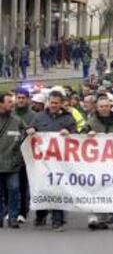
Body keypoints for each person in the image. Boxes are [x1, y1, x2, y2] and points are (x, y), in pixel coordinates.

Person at [27, 90, 77, 232]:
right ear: (48, 102)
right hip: (42, 162)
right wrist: (30, 129)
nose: (54, 105)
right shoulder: (39, 116)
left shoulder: (68, 118)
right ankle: (41, 215)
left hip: (61, 162)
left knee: (58, 190)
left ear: (61, 103)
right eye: (51, 102)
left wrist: (69, 133)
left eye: (56, 103)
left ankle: (57, 220)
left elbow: (77, 136)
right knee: (43, 188)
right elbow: (31, 129)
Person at [82, 97, 113, 230]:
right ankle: (93, 216)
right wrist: (87, 134)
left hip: (112, 162)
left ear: (110, 107)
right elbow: (79, 136)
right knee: (94, 188)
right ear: (97, 108)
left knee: (107, 189)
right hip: (94, 162)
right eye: (101, 106)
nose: (104, 109)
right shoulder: (91, 122)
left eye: (107, 106)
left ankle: (103, 218)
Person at [0, 92, 25, 229]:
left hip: (12, 164)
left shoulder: (17, 120)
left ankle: (13, 217)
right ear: (1, 104)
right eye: (9, 101)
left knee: (14, 191)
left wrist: (32, 130)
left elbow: (27, 132)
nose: (13, 103)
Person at [12, 88, 36, 223]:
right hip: (11, 155)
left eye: (23, 98)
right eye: (18, 97)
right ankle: (11, 211)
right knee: (10, 186)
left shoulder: (34, 116)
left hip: (27, 155)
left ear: (28, 99)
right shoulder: (11, 113)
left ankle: (22, 212)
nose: (20, 100)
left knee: (23, 185)